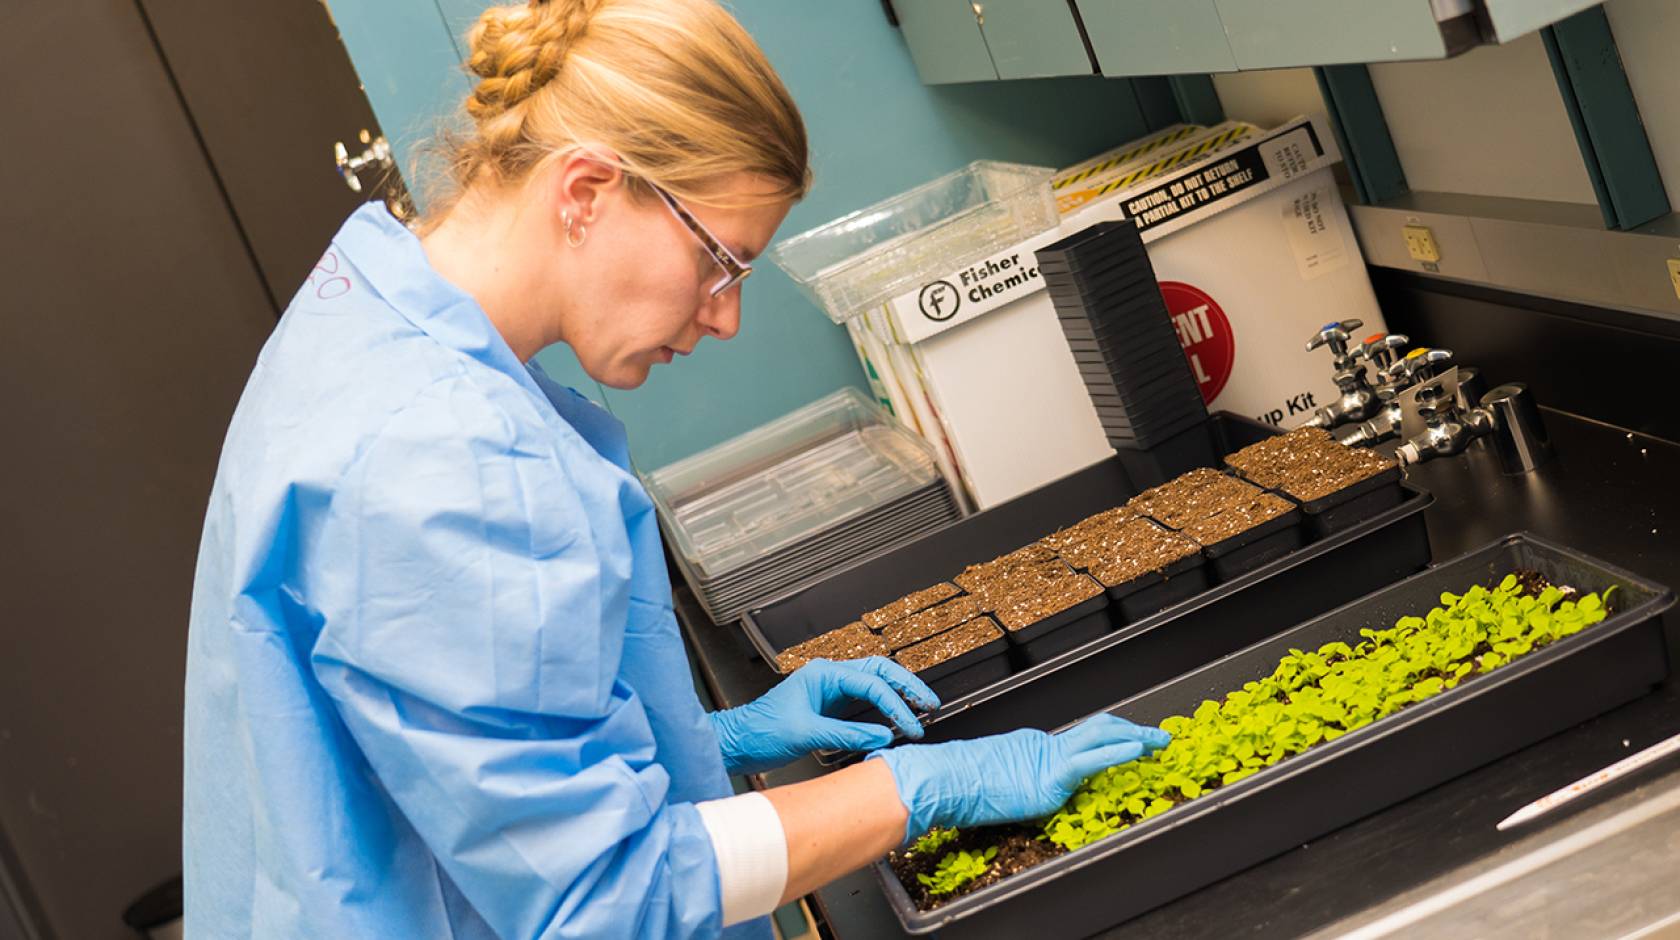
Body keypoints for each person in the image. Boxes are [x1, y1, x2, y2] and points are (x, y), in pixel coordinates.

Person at [181, 0, 1169, 936]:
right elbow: (614, 902)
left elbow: (437, 747)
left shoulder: (366, 310)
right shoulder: (445, 462)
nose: (725, 315)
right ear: (585, 191)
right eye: (719, 262)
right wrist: (910, 789)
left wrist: (705, 741)